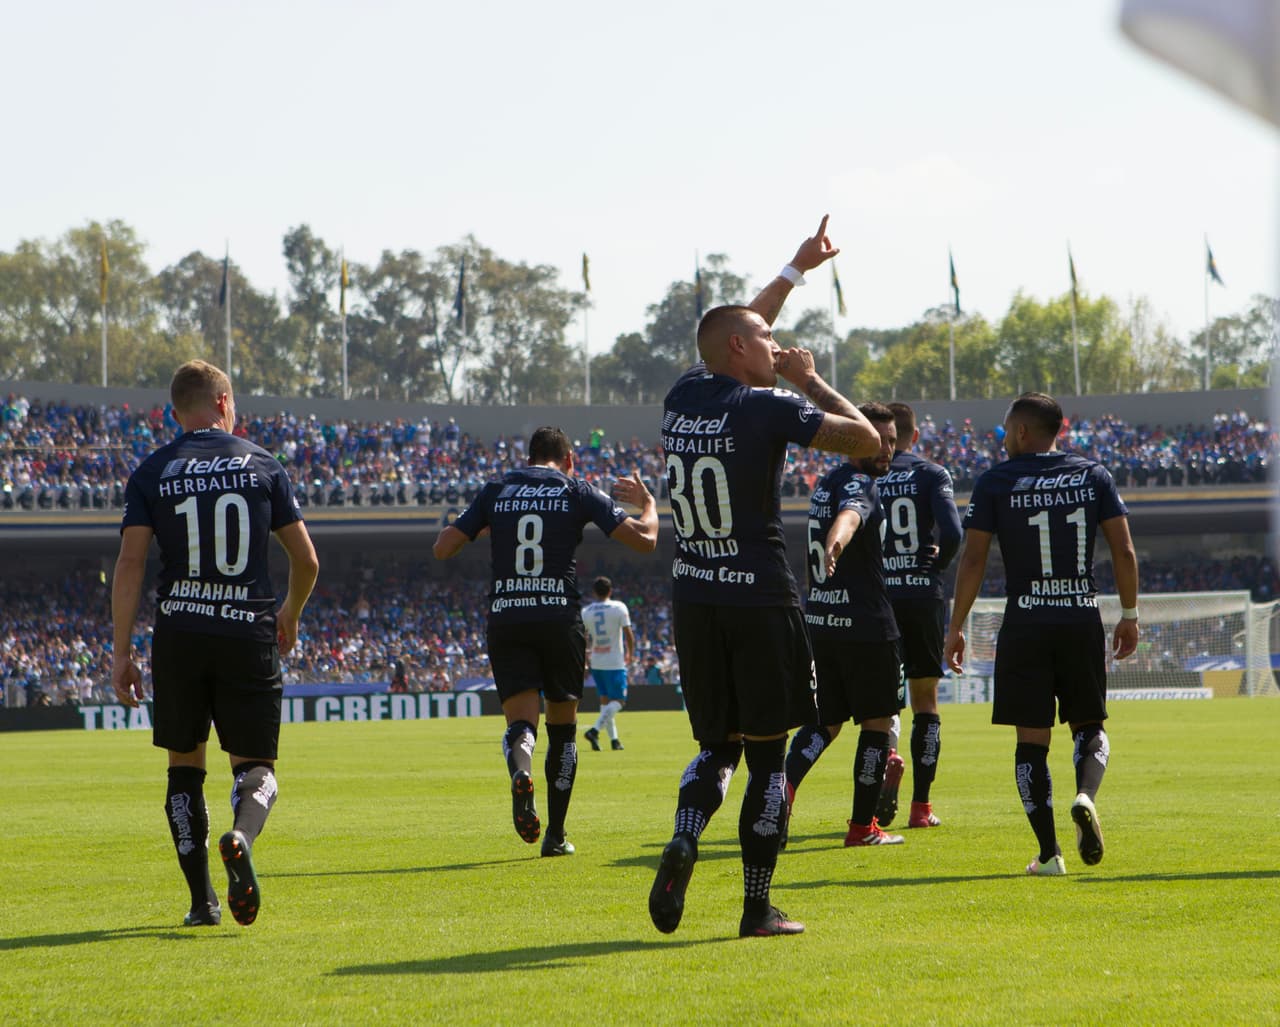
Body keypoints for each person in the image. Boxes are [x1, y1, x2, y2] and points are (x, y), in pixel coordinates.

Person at [648, 215, 881, 939]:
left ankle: (687, 831)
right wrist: (810, 379)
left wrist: (796, 269)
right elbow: (869, 443)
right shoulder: (770, 405)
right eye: (769, 344)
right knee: (769, 758)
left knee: (716, 747)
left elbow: (737, 330)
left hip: (694, 597)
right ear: (744, 352)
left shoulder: (684, 395)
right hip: (761, 598)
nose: (778, 348)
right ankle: (756, 906)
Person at [111, 360, 319, 928]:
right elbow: (306, 559)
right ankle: (241, 837)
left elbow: (130, 562)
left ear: (174, 413)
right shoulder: (262, 464)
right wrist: (291, 613)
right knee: (256, 767)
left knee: (184, 769)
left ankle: (202, 900)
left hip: (178, 633)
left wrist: (121, 652)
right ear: (224, 402)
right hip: (246, 629)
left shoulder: (153, 470)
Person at [433, 427, 657, 857]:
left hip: (508, 618)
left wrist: (483, 524)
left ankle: (521, 770)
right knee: (564, 732)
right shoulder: (576, 490)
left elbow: (443, 548)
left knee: (521, 725)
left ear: (528, 456)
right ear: (568, 459)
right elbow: (646, 541)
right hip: (559, 618)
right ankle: (555, 835)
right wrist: (648, 505)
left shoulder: (497, 489)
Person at [943, 392, 1139, 876]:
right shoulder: (1093, 475)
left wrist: (956, 626)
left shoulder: (995, 481)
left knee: (1031, 743)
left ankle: (1050, 853)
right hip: (1079, 618)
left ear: (1023, 432)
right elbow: (1124, 550)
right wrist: (1130, 614)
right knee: (1089, 726)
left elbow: (972, 559)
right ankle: (1085, 796)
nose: (1004, 438)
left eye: (1007, 430)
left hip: (1026, 622)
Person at [782, 402, 906, 848]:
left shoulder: (826, 482)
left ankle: (785, 786)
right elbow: (850, 518)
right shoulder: (861, 483)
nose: (887, 448)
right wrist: (837, 543)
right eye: (879, 439)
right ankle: (862, 828)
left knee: (824, 722)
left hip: (822, 620)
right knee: (877, 724)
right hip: (867, 626)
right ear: (855, 437)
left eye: (892, 440)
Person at [874, 401, 963, 828]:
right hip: (922, 594)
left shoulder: (867, 472)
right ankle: (921, 808)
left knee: (883, 703)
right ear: (915, 435)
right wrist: (935, 566)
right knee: (925, 700)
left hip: (877, 598)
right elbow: (953, 533)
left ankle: (887, 759)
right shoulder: (931, 473)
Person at [582, 576, 634, 752]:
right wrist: (630, 654)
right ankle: (594, 730)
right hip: (614, 661)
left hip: (596, 660)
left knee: (605, 703)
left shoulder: (586, 611)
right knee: (619, 701)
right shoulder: (619, 607)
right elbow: (628, 633)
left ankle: (614, 740)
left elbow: (584, 638)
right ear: (610, 591)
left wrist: (586, 660)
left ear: (594, 592)